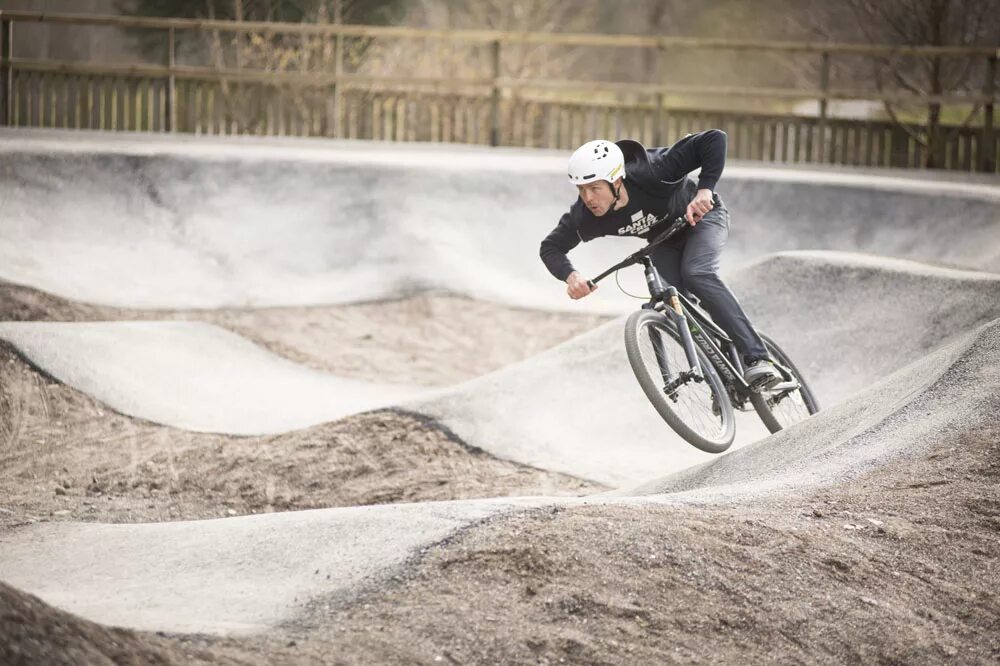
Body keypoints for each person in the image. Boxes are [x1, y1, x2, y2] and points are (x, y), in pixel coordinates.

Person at [538, 130, 780, 388]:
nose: (588, 198)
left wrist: (704, 189)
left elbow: (714, 139)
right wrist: (571, 276)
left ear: (617, 181)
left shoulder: (654, 171)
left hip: (702, 218)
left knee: (696, 273)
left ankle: (758, 358)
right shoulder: (584, 216)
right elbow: (550, 247)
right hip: (663, 240)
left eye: (595, 188)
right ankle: (724, 381)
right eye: (582, 189)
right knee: (677, 303)